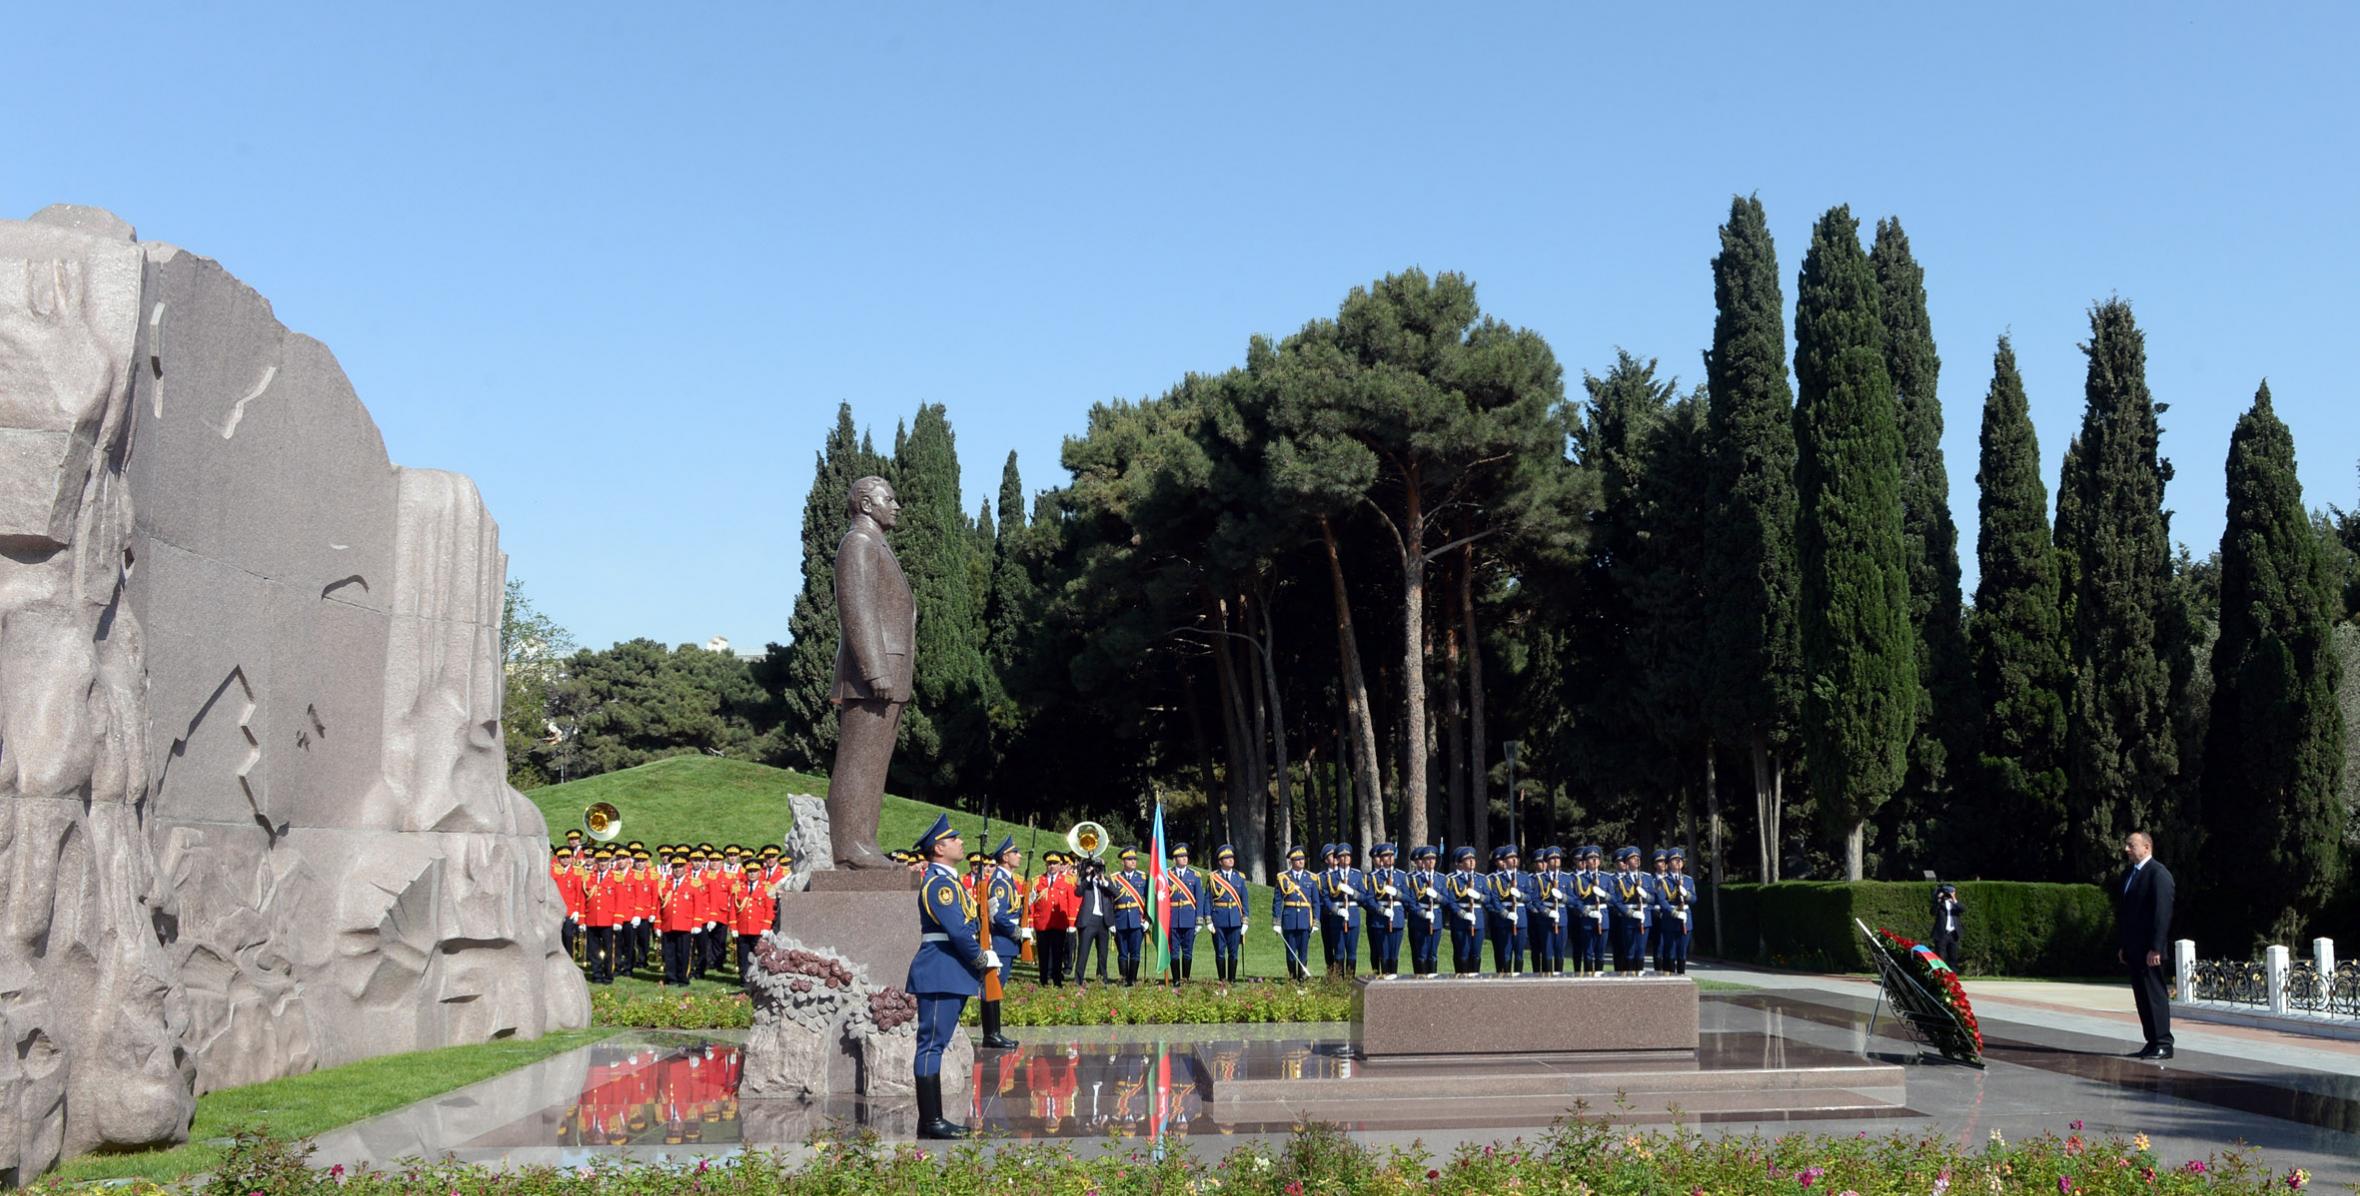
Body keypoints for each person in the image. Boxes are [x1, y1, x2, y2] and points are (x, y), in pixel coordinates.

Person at [907, 813, 989, 1138]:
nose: (961, 842)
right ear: (939, 847)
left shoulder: (950, 881)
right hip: (940, 969)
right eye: (954, 839)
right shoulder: (940, 883)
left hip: (948, 968)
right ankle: (931, 1122)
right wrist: (980, 958)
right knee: (931, 1046)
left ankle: (931, 1119)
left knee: (935, 1044)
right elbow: (956, 929)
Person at [2117, 831, 2176, 1060]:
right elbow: (2127, 914)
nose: (2126, 849)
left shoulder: (2158, 874)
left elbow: (2162, 914)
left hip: (2150, 950)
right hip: (2134, 948)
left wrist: (2157, 948)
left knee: (2155, 995)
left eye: (2131, 845)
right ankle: (2151, 1042)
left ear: (2147, 847)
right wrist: (2124, 945)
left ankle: (2163, 1042)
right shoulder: (2130, 874)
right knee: (2142, 997)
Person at [980, 835, 1022, 1049]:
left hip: (1006, 942)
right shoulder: (999, 882)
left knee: (997, 988)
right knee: (992, 987)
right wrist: (1018, 932)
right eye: (1016, 853)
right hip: (1001, 941)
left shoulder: (1006, 880)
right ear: (1005, 857)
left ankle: (994, 1032)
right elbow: (998, 917)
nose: (1020, 856)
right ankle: (991, 1034)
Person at [1404, 845, 1459, 976]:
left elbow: (1447, 900)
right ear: (1422, 861)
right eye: (1428, 859)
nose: (1431, 861)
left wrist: (1437, 896)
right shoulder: (1415, 879)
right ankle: (1421, 983)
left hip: (1437, 919)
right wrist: (1422, 913)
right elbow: (1411, 901)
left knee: (1433, 954)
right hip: (1420, 920)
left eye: (1433, 858)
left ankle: (1432, 982)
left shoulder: (1441, 878)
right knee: (1422, 954)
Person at [1272, 846, 1317, 981]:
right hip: (1289, 919)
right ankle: (1292, 977)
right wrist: (1276, 921)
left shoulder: (1311, 878)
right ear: (1291, 861)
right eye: (1297, 860)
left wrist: (1316, 921)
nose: (1301, 862)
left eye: (1302, 859)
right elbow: (1277, 901)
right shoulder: (1283, 878)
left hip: (1305, 919)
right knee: (1291, 953)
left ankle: (1302, 978)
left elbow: (1315, 902)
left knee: (1303, 952)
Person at [1608, 846, 1655, 974]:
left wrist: (1645, 895)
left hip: (1644, 919)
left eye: (1637, 858)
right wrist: (1631, 913)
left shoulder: (1647, 878)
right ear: (1627, 862)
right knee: (1629, 950)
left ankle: (1639, 977)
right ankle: (1629, 979)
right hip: (1629, 919)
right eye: (1633, 858)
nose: (1636, 860)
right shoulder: (1621, 881)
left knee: (1640, 951)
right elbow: (1616, 901)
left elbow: (1653, 899)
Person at [1484, 845, 1530, 974]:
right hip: (1505, 921)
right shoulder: (1498, 879)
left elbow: (1530, 896)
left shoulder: (1524, 876)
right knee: (1506, 954)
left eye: (1515, 857)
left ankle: (1519, 978)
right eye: (1510, 857)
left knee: (1520, 953)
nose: (1514, 860)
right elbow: (1494, 899)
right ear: (1505, 861)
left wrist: (1520, 895)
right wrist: (1505, 913)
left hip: (1520, 919)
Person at [1322, 843, 1366, 978]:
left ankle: (1351, 982)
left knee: (1352, 952)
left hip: (1353, 916)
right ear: (1337, 859)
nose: (1345, 858)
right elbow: (1326, 898)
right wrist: (1337, 910)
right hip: (1337, 917)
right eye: (1342, 856)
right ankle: (1339, 984)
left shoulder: (1357, 875)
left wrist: (1352, 892)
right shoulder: (1331, 877)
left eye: (1348, 856)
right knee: (1339, 952)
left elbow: (1364, 897)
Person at [1206, 845, 1248, 984]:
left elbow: (1244, 900)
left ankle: (1232, 979)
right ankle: (1222, 979)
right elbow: (1208, 900)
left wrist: (1245, 920)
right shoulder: (1213, 877)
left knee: (1233, 951)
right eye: (1226, 858)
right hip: (1218, 918)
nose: (1230, 860)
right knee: (1219, 951)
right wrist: (1208, 920)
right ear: (1220, 861)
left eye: (1231, 857)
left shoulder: (1239, 877)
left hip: (1235, 919)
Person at [1166, 843, 1206, 983]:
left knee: (1188, 951)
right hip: (1172, 918)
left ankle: (1186, 979)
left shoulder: (1194, 875)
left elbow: (1200, 899)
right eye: (1180, 856)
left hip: (1189, 918)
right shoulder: (1166, 875)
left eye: (1185, 856)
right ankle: (1176, 979)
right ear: (1174, 859)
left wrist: (1199, 920)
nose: (1184, 858)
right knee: (1174, 951)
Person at [1072, 855, 1115, 988]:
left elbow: (1116, 892)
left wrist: (1103, 881)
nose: (1097, 869)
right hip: (1088, 920)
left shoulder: (1106, 881)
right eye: (1096, 867)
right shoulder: (1085, 880)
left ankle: (1102, 980)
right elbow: (1078, 892)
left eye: (1100, 867)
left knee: (1103, 954)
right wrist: (1089, 876)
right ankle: (1078, 980)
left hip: (1103, 921)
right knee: (1083, 952)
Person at [1444, 847, 1488, 975]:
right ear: (1460, 863)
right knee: (1462, 953)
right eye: (1467, 859)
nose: (1471, 861)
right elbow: (1450, 901)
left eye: (1473, 859)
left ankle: (1474, 979)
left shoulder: (1481, 878)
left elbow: (1489, 898)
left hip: (1477, 919)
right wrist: (1462, 913)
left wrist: (1479, 896)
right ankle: (1461, 980)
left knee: (1476, 953)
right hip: (1460, 921)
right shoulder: (1452, 879)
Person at [1110, 848, 1149, 986]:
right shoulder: (1115, 878)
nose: (1133, 862)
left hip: (1137, 920)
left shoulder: (1143, 877)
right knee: (1122, 953)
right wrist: (1111, 922)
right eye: (1130, 859)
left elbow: (1150, 901)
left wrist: (1148, 920)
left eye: (1134, 859)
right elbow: (1109, 901)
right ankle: (1123, 979)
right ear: (1123, 862)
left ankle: (1132, 980)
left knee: (1135, 952)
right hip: (1120, 919)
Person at [1654, 848, 1695, 974]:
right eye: (1674, 860)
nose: (1678, 862)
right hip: (1670, 920)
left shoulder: (1688, 880)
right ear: (1668, 863)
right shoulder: (1663, 881)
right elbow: (1662, 901)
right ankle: (1671, 982)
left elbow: (1694, 899)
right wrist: (1674, 912)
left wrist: (1686, 894)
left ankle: (1682, 978)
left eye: (1680, 860)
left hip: (1685, 920)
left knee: (1682, 954)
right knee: (1670, 953)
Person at [660, 852, 698, 987]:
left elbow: (698, 905)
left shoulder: (693, 884)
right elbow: (659, 905)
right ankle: (671, 977)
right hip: (668, 923)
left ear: (686, 867)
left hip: (685, 924)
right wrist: (658, 924)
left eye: (680, 866)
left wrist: (697, 923)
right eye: (675, 866)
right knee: (669, 952)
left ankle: (683, 978)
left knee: (683, 953)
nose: (677, 869)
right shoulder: (665, 884)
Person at [1530, 847, 1567, 975]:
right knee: (1547, 951)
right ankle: (1546, 981)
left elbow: (1574, 899)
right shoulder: (1540, 879)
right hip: (1546, 919)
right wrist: (1546, 911)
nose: (1556, 860)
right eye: (1552, 858)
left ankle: (1559, 978)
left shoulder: (1566, 878)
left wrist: (1563, 897)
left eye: (1558, 858)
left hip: (1561, 918)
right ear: (1547, 861)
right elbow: (1535, 900)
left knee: (1560, 951)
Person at [1573, 846, 1609, 975]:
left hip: (1602, 917)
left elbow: (1614, 899)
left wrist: (1603, 895)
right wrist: (1587, 911)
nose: (1594, 860)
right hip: (1588, 918)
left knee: (1600, 953)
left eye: (1596, 858)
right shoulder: (1580, 878)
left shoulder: (1606, 877)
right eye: (1590, 858)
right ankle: (1588, 980)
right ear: (1586, 861)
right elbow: (1576, 900)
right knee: (1588, 953)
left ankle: (1599, 978)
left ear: (1599, 861)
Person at [1930, 882, 1964, 966]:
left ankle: (1952, 976)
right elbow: (1932, 912)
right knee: (1940, 958)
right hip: (1941, 934)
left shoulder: (1955, 904)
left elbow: (1962, 909)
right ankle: (1941, 976)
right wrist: (1938, 899)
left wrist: (1953, 898)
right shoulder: (1939, 904)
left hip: (1953, 934)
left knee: (1953, 958)